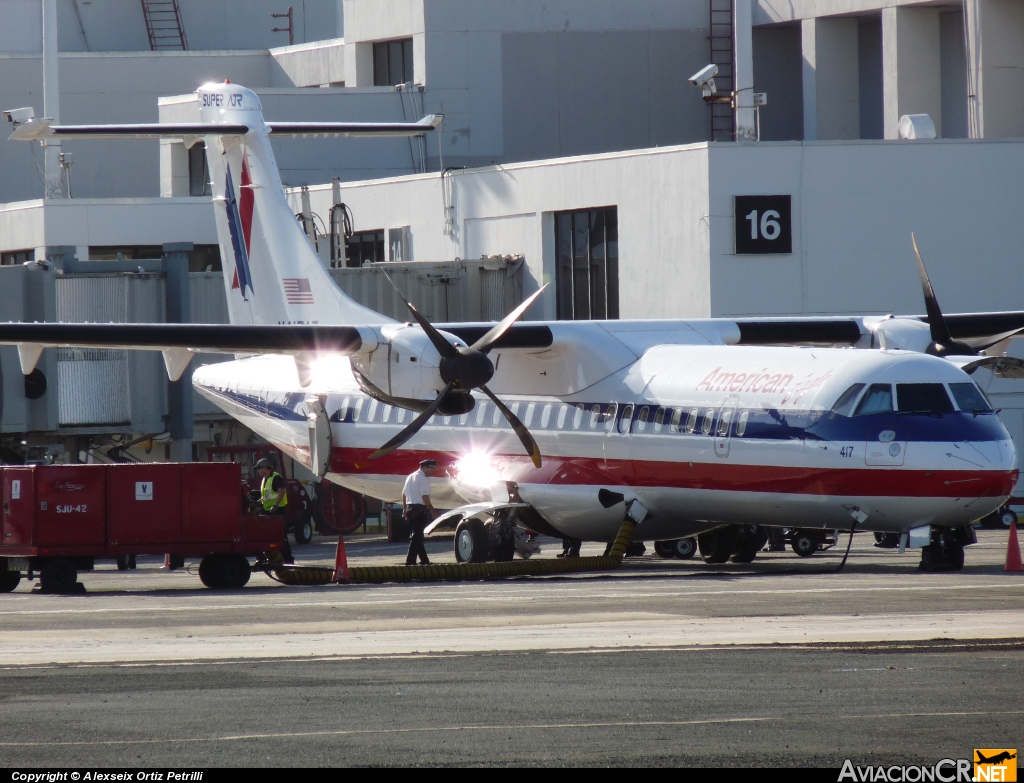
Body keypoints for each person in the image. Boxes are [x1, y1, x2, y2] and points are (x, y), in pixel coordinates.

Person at [402, 459, 437, 566]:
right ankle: (410, 561)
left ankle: (424, 560)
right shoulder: (423, 479)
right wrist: (432, 509)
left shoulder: (410, 477)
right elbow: (425, 496)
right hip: (419, 509)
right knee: (416, 537)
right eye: (431, 469)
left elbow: (404, 494)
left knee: (417, 536)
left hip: (409, 508)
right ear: (425, 467)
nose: (432, 472)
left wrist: (404, 509)